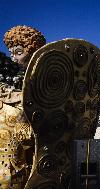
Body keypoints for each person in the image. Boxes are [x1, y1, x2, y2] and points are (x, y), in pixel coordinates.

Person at [0, 25, 46, 189]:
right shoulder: (10, 80)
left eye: (19, 53)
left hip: (27, 158)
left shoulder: (45, 84)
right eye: (12, 53)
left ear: (35, 53)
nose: (14, 58)